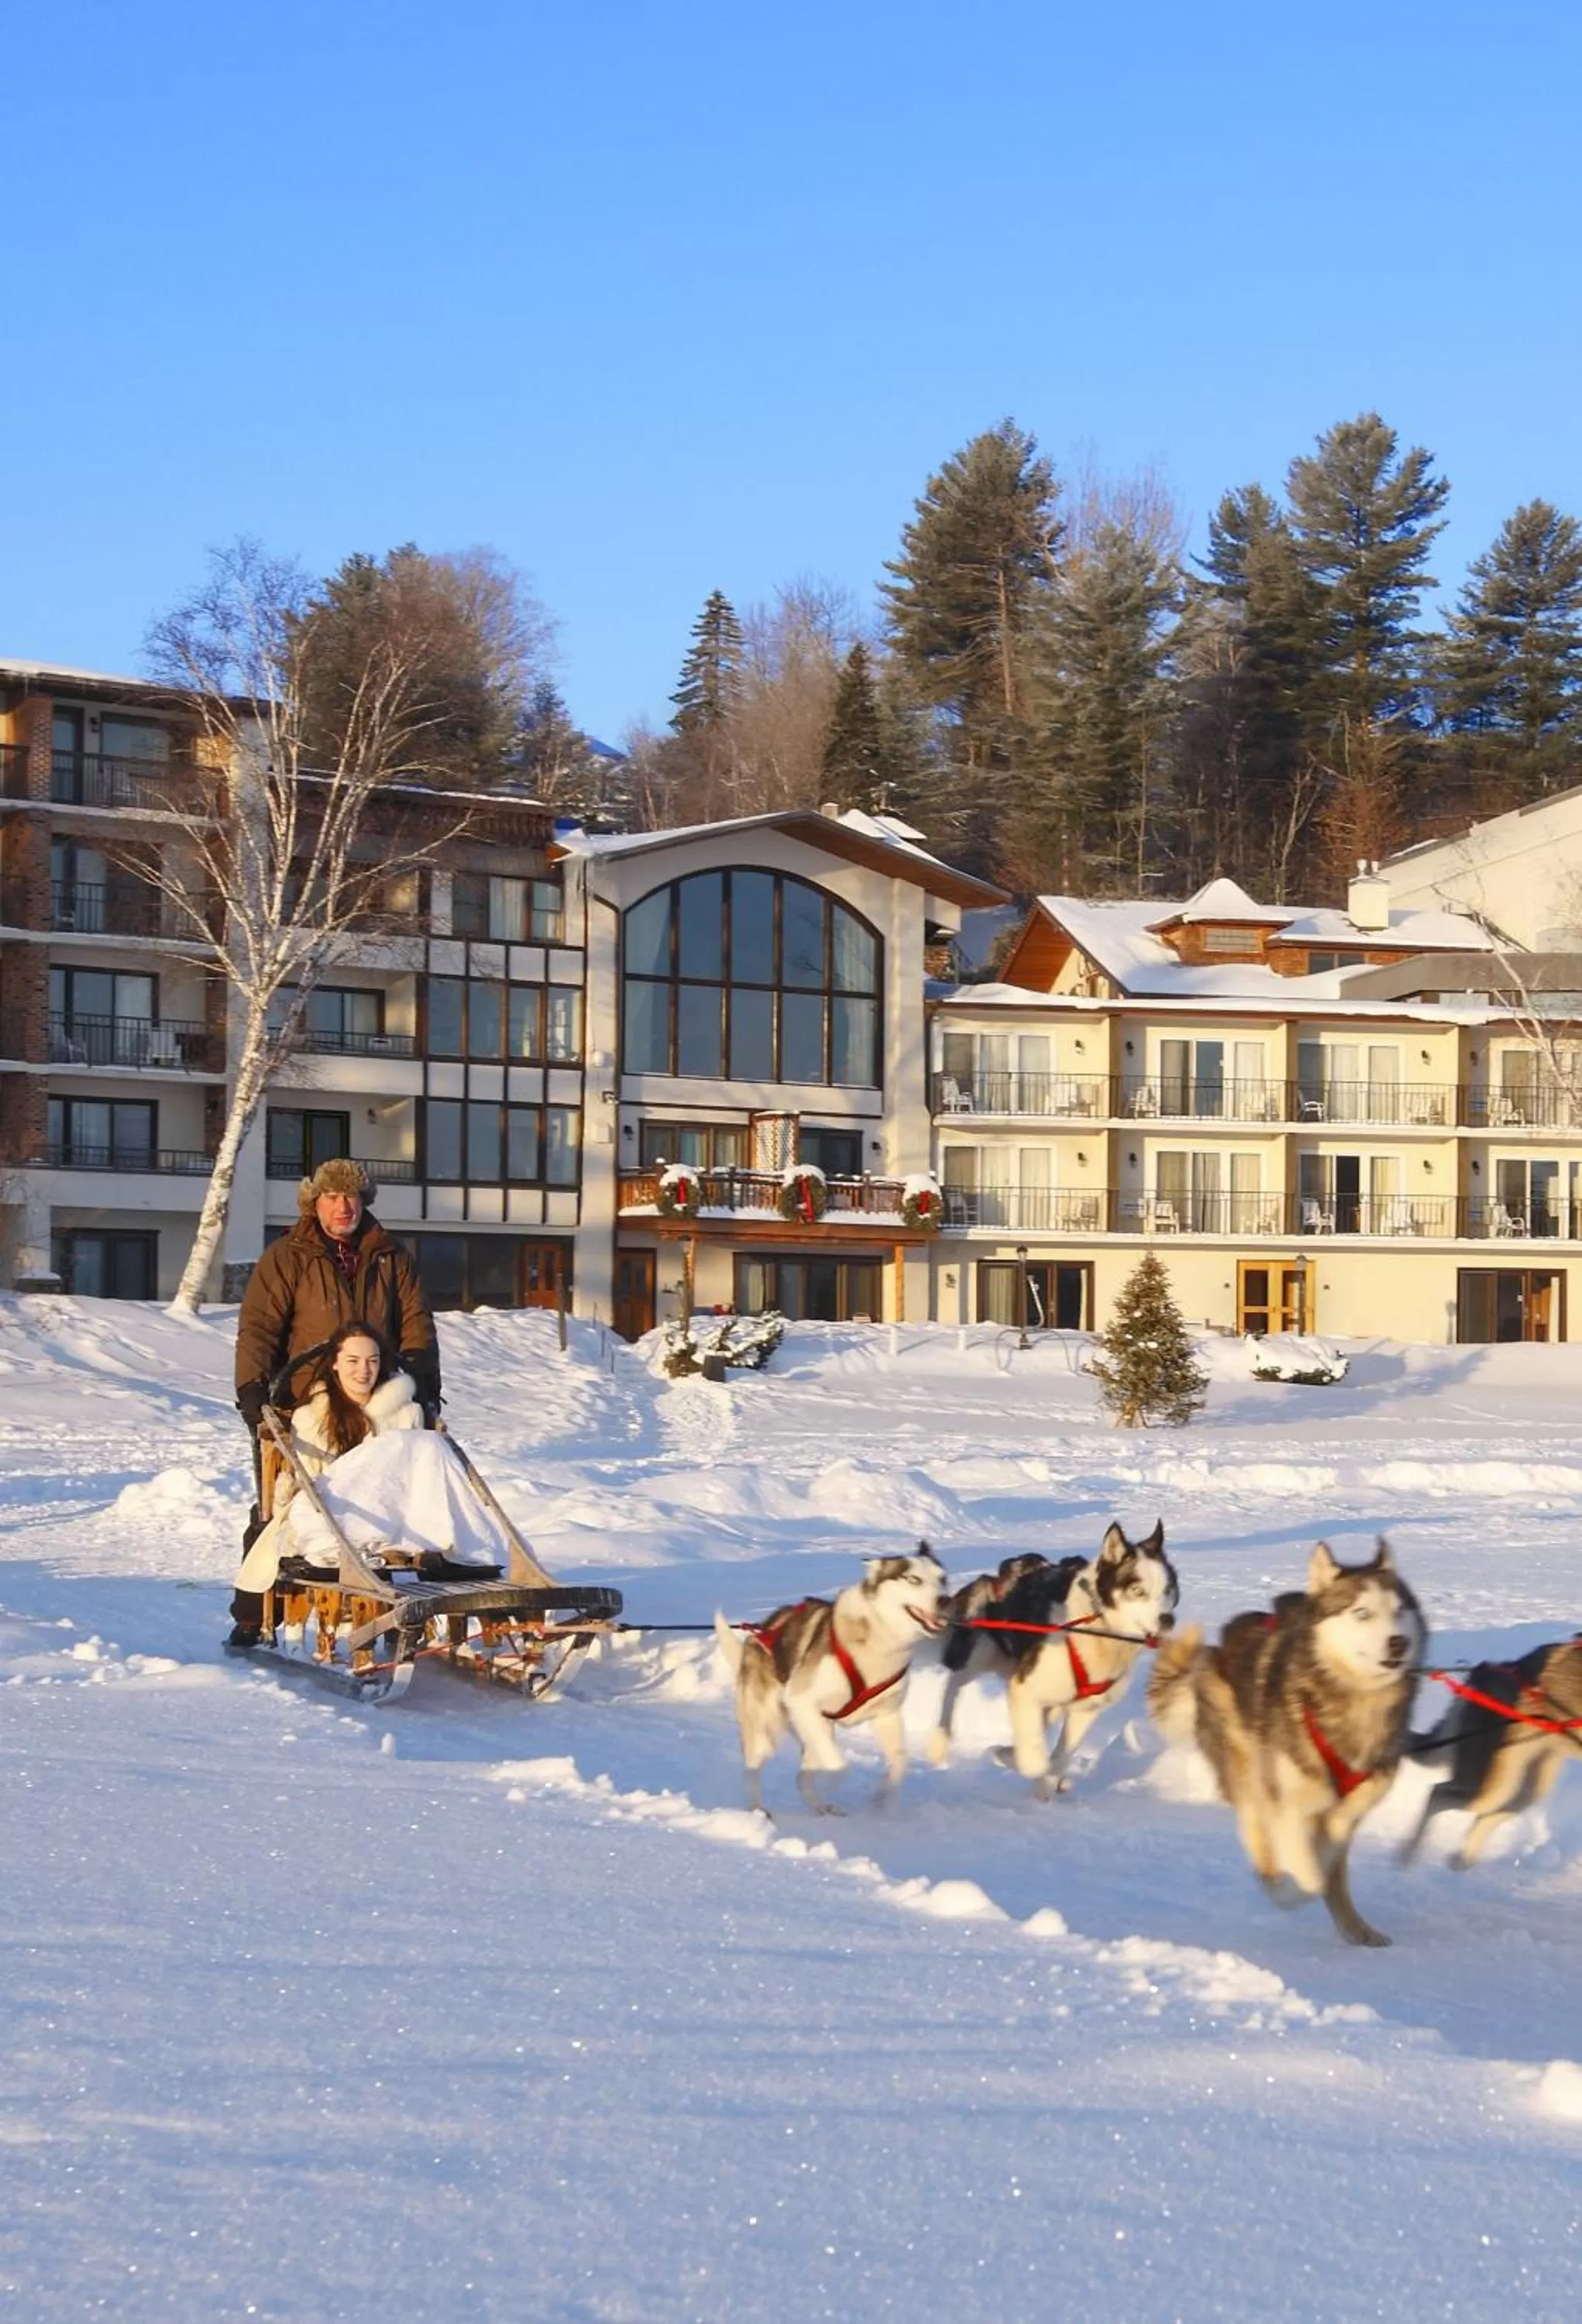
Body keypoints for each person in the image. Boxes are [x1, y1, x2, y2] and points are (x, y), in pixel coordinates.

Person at [228, 1158, 440, 1648]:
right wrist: (253, 1391)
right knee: (283, 1502)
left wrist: (425, 1387)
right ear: (314, 1203)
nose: (343, 1207)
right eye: (332, 1197)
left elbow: (416, 1326)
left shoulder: (391, 1257)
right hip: (305, 1400)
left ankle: (411, 1592)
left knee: (394, 1488)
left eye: (351, 1197)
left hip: (378, 1394)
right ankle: (252, 1613)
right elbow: (259, 1327)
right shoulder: (287, 1257)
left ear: (364, 1201)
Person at [228, 1322, 425, 1633]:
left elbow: (414, 1473)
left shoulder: (406, 1413)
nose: (364, 1371)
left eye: (372, 1361)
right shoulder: (314, 1416)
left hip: (394, 1509)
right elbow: (312, 1484)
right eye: (353, 1361)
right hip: (333, 1509)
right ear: (334, 1364)